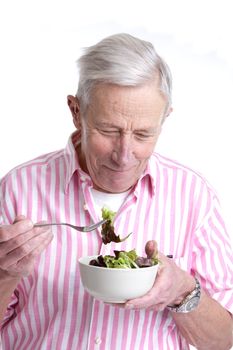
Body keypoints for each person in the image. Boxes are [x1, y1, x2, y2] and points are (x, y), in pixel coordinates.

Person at [0, 33, 233, 350]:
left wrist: (182, 292)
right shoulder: (18, 189)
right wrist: (5, 274)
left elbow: (224, 339)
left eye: (142, 134)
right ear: (76, 112)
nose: (124, 155)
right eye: (109, 131)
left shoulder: (194, 196)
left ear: (164, 120)